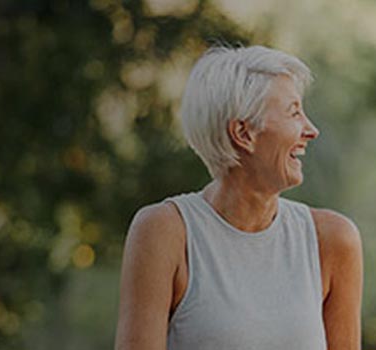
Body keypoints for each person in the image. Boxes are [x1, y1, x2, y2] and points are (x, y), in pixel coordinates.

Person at [113, 45, 362, 350]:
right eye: (294, 112)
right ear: (244, 133)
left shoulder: (333, 239)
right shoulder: (163, 232)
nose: (311, 130)